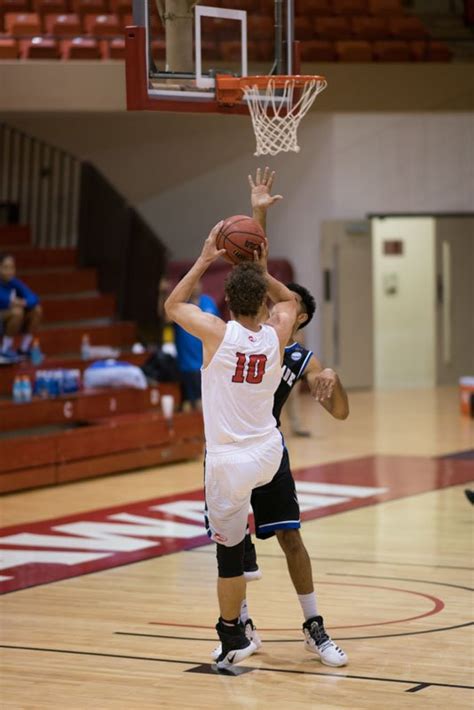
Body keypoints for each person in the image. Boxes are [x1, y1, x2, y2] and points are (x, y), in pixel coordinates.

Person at [212, 168, 350, 668]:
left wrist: (330, 376)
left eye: (280, 308)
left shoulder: (292, 355)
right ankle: (242, 629)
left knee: (291, 537)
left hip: (267, 453)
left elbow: (339, 411)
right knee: (232, 547)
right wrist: (260, 212)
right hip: (229, 449)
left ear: (296, 319)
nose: (269, 308)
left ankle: (314, 626)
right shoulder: (244, 338)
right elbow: (255, 266)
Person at [165, 223, 298, 670]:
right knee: (246, 539)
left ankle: (232, 637)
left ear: (225, 301)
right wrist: (260, 268)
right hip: (267, 452)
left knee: (228, 556)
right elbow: (289, 301)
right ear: (262, 299)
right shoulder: (278, 332)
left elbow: (172, 304)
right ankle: (243, 603)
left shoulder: (216, 334)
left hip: (228, 461)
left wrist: (206, 257)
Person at [173, 276, 219, 411]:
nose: (196, 286)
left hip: (208, 362)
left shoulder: (208, 302)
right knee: (192, 404)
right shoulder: (180, 305)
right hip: (188, 365)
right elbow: (165, 317)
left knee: (207, 403)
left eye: (198, 281)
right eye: (193, 282)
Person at [0, 253, 42, 360]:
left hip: (10, 317)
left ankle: (23, 348)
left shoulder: (14, 282)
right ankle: (4, 349)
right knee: (17, 312)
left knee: (36, 310)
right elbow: (3, 299)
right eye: (5, 267)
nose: (9, 271)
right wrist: (12, 301)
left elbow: (34, 297)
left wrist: (24, 302)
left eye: (12, 267)